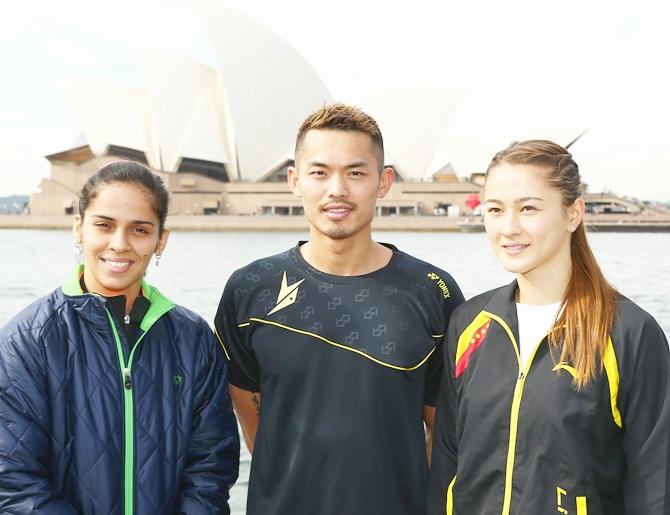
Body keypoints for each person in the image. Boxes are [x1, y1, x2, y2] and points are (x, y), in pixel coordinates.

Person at [214, 103, 464, 515]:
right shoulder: (250, 289)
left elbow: (444, 431)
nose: (337, 190)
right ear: (294, 180)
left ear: (383, 182)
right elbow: (254, 425)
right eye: (319, 172)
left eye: (355, 172)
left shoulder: (431, 292)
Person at [427, 140, 670, 515]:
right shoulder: (469, 324)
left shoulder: (627, 332)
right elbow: (447, 464)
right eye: (495, 209)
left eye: (528, 209)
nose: (509, 228)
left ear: (573, 214)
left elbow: (654, 483)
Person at [0, 161, 239, 514]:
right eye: (104, 225)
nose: (119, 244)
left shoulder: (194, 340)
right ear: (79, 228)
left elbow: (210, 472)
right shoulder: (27, 340)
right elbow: (14, 482)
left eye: (139, 230)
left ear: (161, 240)